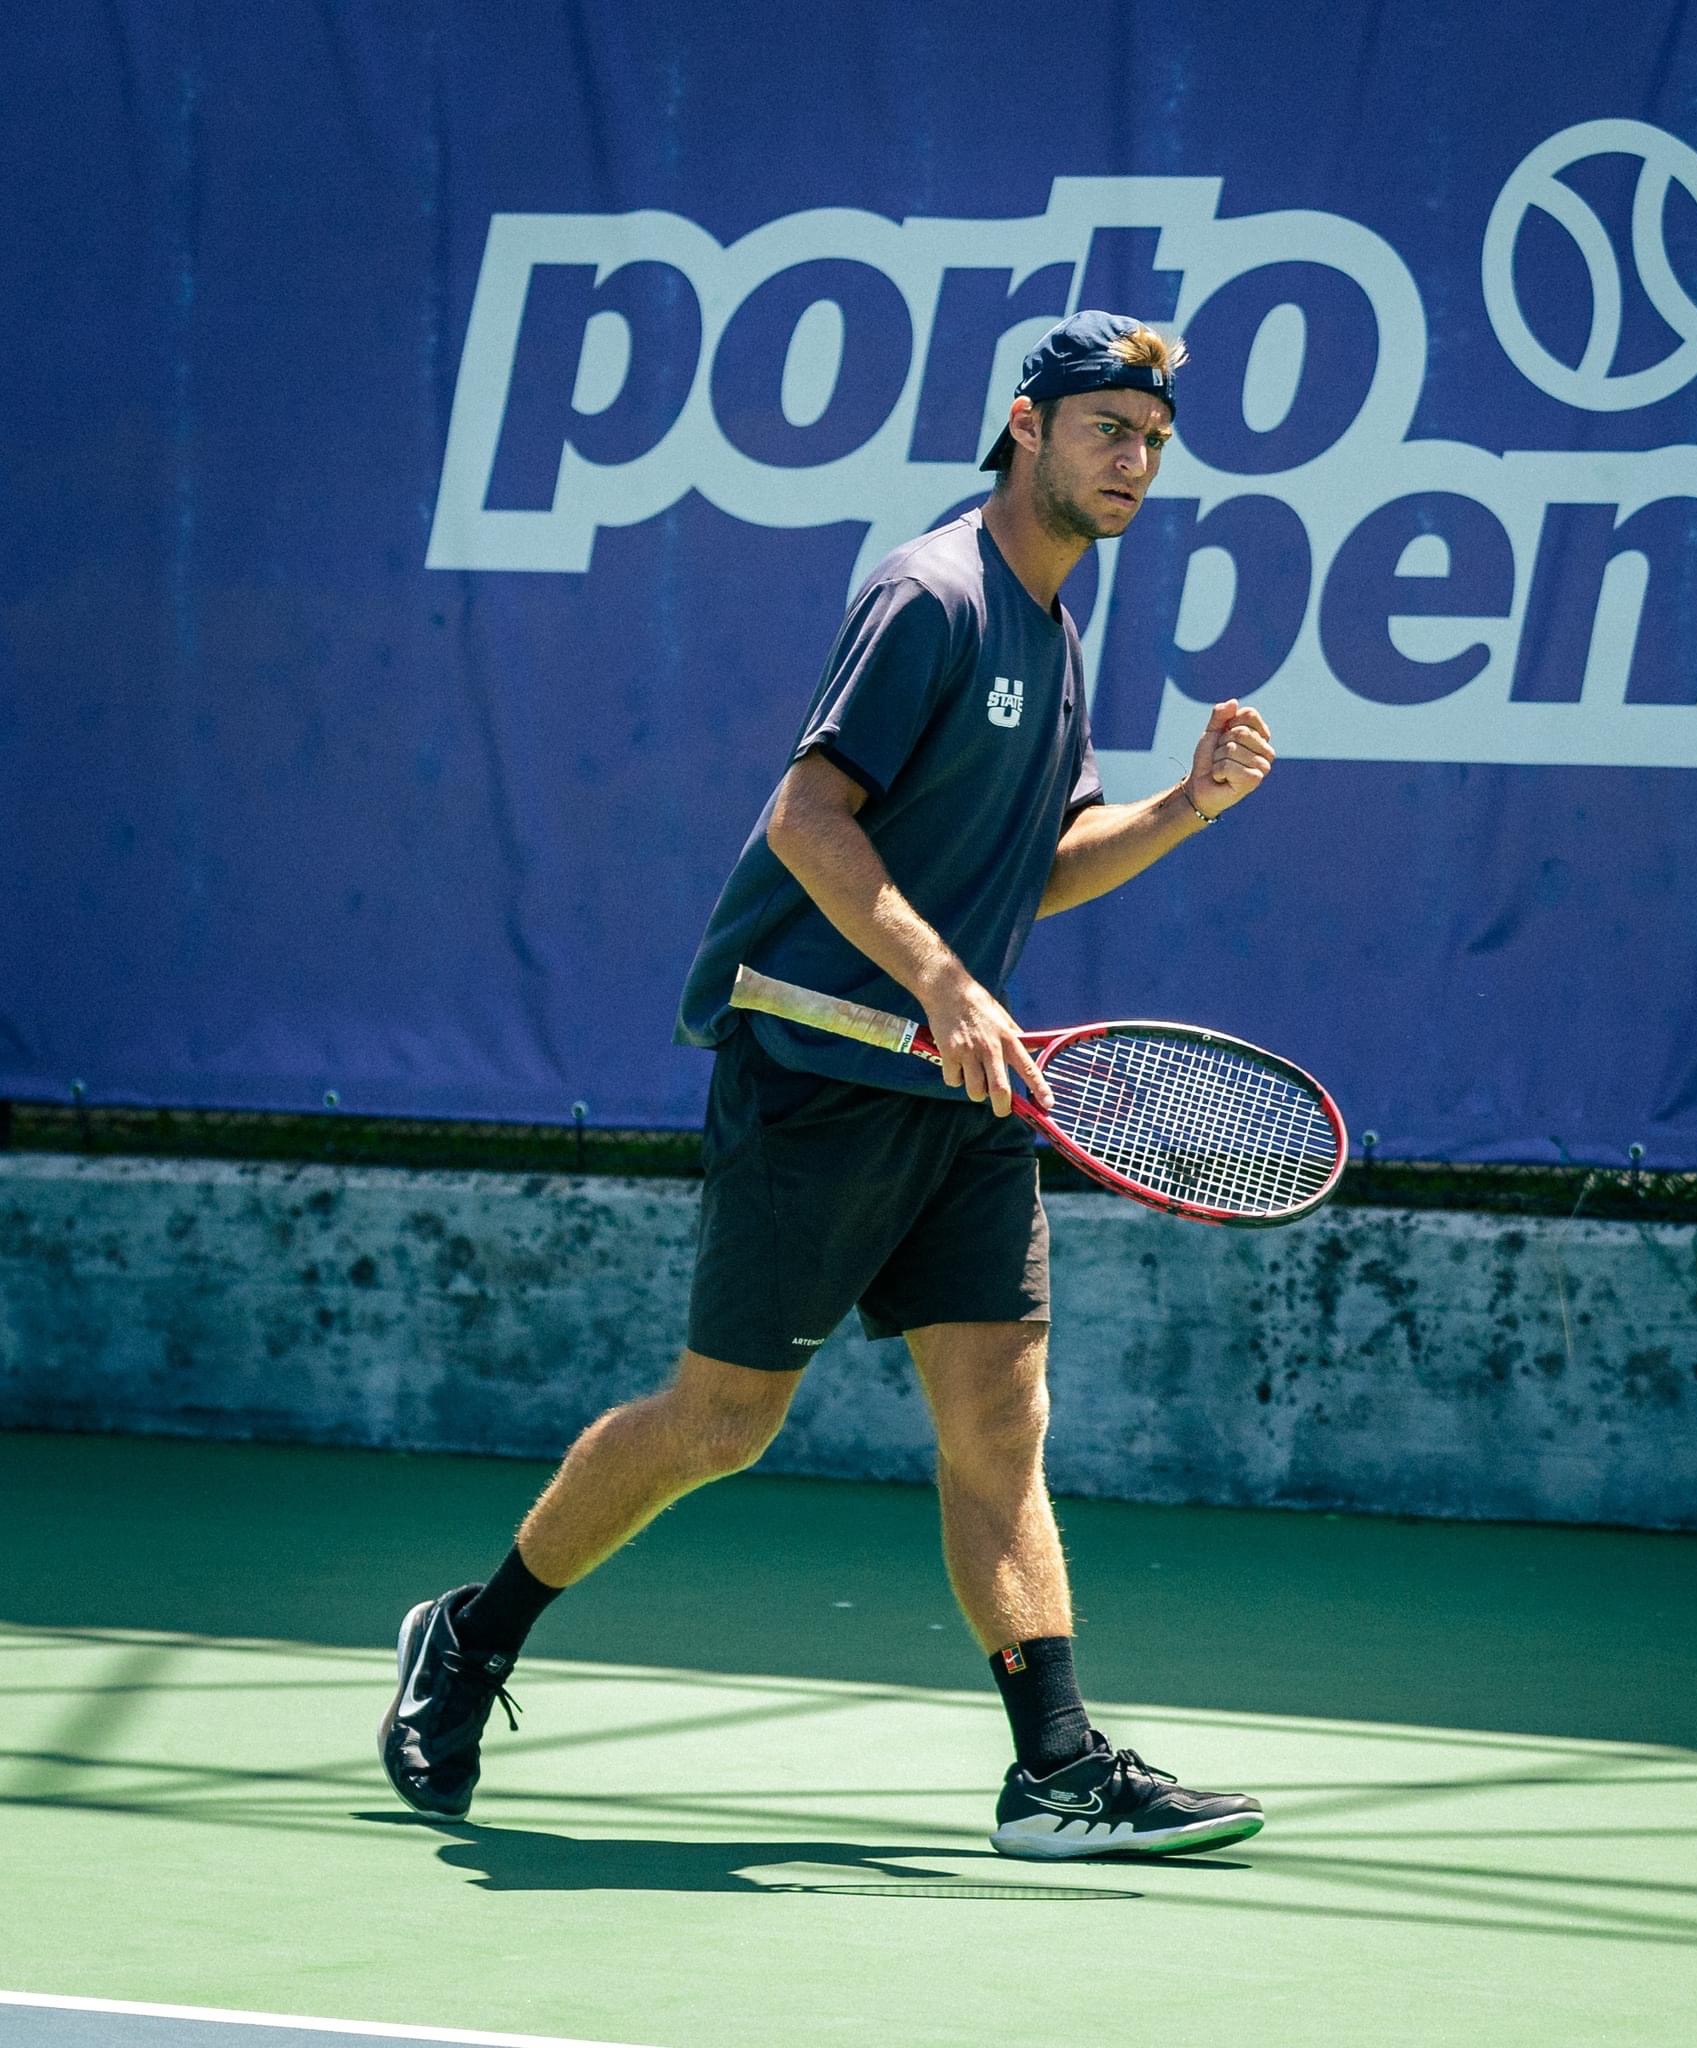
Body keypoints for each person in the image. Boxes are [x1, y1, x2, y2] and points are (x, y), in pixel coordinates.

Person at [379, 310, 1278, 1860]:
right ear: (1025, 426)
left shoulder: (1054, 633)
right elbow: (808, 813)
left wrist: (1182, 810)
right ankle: (472, 1635)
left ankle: (1054, 1768)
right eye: (1105, 432)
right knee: (723, 1424)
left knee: (1001, 1424)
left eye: (1152, 444)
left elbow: (1034, 868)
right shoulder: (930, 595)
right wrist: (939, 985)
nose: (1132, 463)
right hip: (822, 1076)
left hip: (967, 1098)